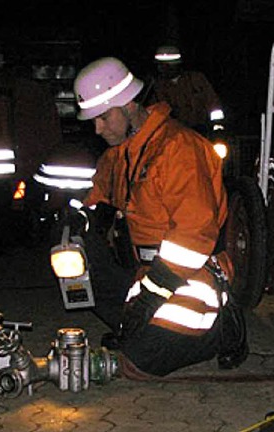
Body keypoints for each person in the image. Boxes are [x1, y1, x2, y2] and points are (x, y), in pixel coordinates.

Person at [66, 56, 247, 378]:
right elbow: (98, 198)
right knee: (70, 247)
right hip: (145, 271)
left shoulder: (179, 149)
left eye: (104, 117)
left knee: (137, 363)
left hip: (190, 274)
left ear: (129, 104)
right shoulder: (119, 155)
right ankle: (139, 326)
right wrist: (79, 219)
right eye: (92, 120)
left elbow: (194, 235)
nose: (97, 128)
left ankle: (221, 331)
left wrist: (152, 294)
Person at [147, 45, 225, 136]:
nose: (163, 69)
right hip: (174, 134)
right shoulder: (157, 87)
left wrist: (217, 126)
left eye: (166, 66)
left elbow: (213, 103)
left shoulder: (196, 79)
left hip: (203, 130)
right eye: (160, 66)